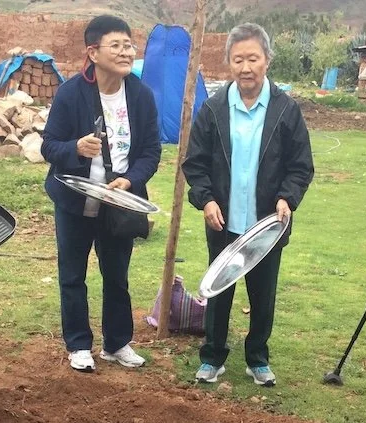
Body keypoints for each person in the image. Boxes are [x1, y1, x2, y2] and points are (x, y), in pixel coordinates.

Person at [183, 23, 314, 387]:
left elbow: (300, 165)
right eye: (238, 59)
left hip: (267, 225)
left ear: (267, 60)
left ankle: (257, 358)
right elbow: (195, 165)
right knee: (219, 291)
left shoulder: (286, 111)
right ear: (228, 62)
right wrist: (206, 200)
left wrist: (287, 197)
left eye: (252, 58)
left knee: (262, 294)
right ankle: (212, 357)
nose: (245, 67)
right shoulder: (212, 110)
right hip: (222, 221)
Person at [42, 15, 161, 373]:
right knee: (72, 274)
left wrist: (130, 181)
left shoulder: (140, 95)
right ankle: (78, 344)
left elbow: (150, 152)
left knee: (116, 275)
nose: (126, 52)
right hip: (74, 200)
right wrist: (76, 148)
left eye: (129, 45)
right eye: (117, 46)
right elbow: (49, 145)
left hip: (117, 204)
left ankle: (117, 343)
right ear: (93, 52)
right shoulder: (70, 93)